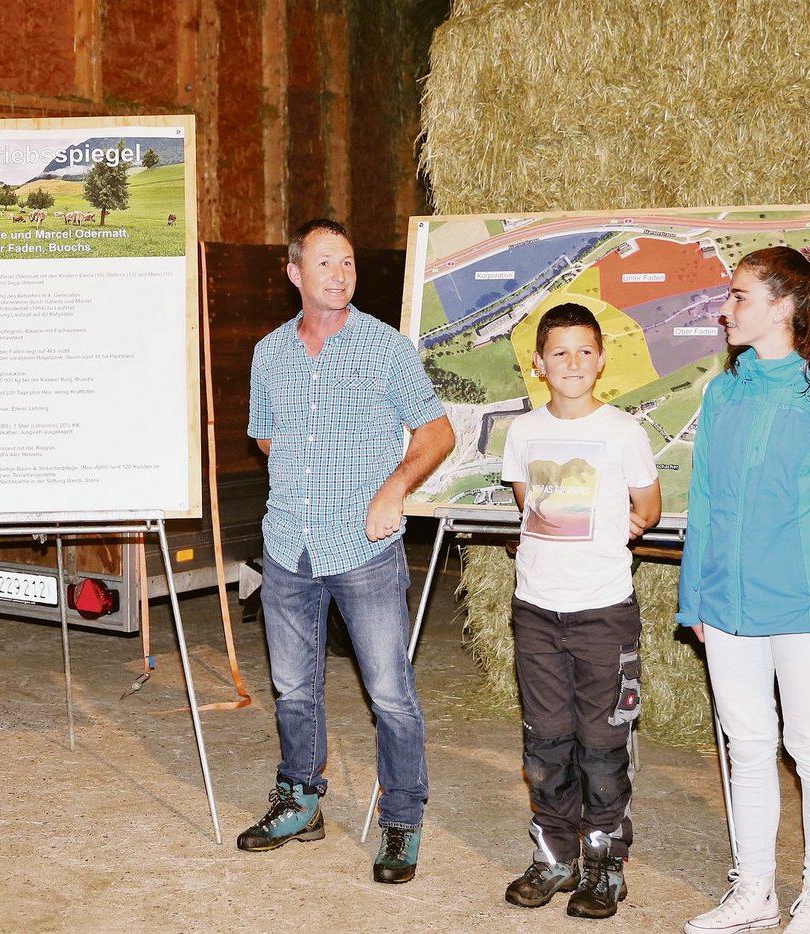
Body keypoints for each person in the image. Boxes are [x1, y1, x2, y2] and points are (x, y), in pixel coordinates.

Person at [237, 218, 455, 884]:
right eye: (326, 263)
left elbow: (438, 432)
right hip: (286, 546)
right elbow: (266, 438)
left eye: (349, 263)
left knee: (389, 692)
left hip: (361, 547)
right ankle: (301, 797)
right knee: (292, 687)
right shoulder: (268, 352)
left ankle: (402, 818)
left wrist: (391, 488)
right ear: (295, 272)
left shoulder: (385, 348)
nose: (340, 274)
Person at [679, 245, 810, 934]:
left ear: (786, 306)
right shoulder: (724, 392)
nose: (725, 308)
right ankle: (755, 890)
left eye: (739, 295)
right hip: (730, 607)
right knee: (745, 745)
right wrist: (695, 598)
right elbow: (704, 502)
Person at [498, 303, 662, 919]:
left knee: (601, 747)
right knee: (546, 745)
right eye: (559, 352)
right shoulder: (522, 433)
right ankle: (555, 858)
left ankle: (604, 864)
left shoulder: (624, 432)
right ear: (539, 365)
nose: (572, 362)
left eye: (585, 351)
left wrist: (612, 536)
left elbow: (646, 506)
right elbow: (527, 502)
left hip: (603, 614)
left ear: (601, 360)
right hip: (536, 612)